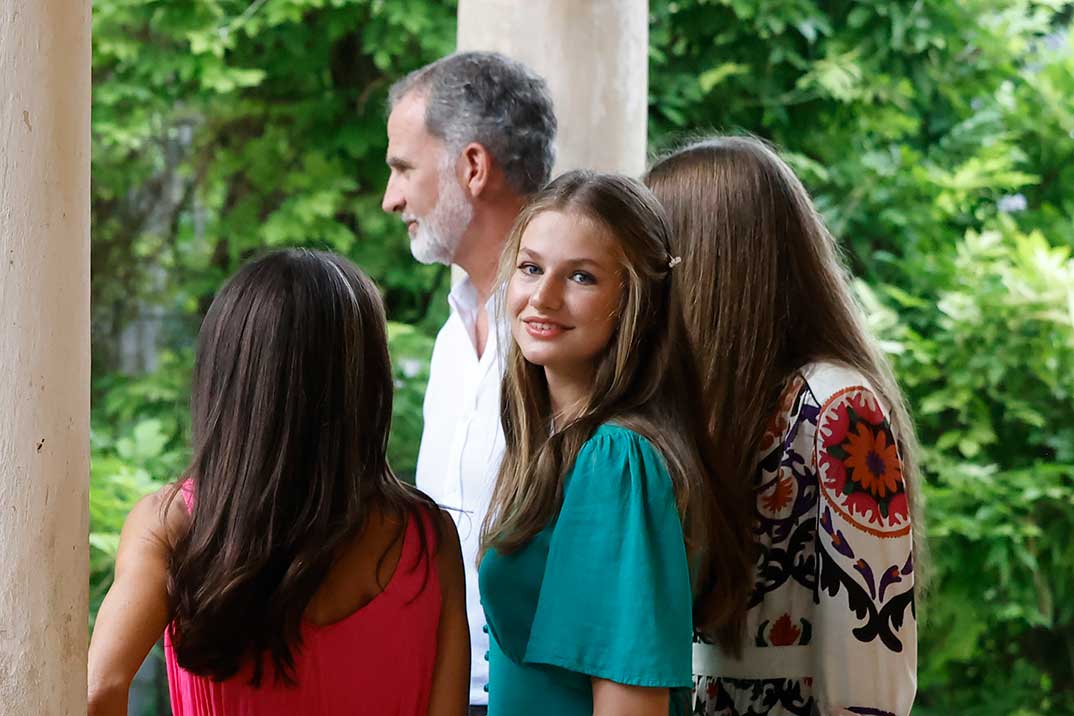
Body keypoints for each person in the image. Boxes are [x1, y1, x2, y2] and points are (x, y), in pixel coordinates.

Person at [86, 249, 469, 716]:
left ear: (227, 376)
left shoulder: (176, 525)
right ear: (366, 380)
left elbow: (99, 688)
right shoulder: (429, 540)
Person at [645, 136, 924, 716]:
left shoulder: (838, 405)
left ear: (707, 258)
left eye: (657, 251)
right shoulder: (697, 402)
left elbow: (873, 641)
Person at [477, 171, 755, 716]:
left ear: (637, 301)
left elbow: (630, 705)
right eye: (531, 268)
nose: (543, 297)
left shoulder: (619, 462)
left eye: (581, 277)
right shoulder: (551, 444)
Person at [381, 50, 557, 713]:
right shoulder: (453, 336)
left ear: (473, 168)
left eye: (402, 168)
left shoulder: (568, 340)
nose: (390, 197)